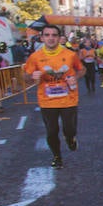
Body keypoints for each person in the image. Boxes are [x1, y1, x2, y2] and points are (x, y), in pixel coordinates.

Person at [23, 25, 85, 169]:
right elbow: (25, 77)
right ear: (42, 37)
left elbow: (82, 70)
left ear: (59, 37)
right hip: (47, 101)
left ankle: (70, 138)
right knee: (51, 131)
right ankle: (57, 156)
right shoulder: (35, 57)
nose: (51, 38)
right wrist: (32, 76)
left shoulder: (70, 54)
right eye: (47, 35)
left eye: (54, 35)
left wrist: (75, 77)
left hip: (68, 99)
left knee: (69, 129)